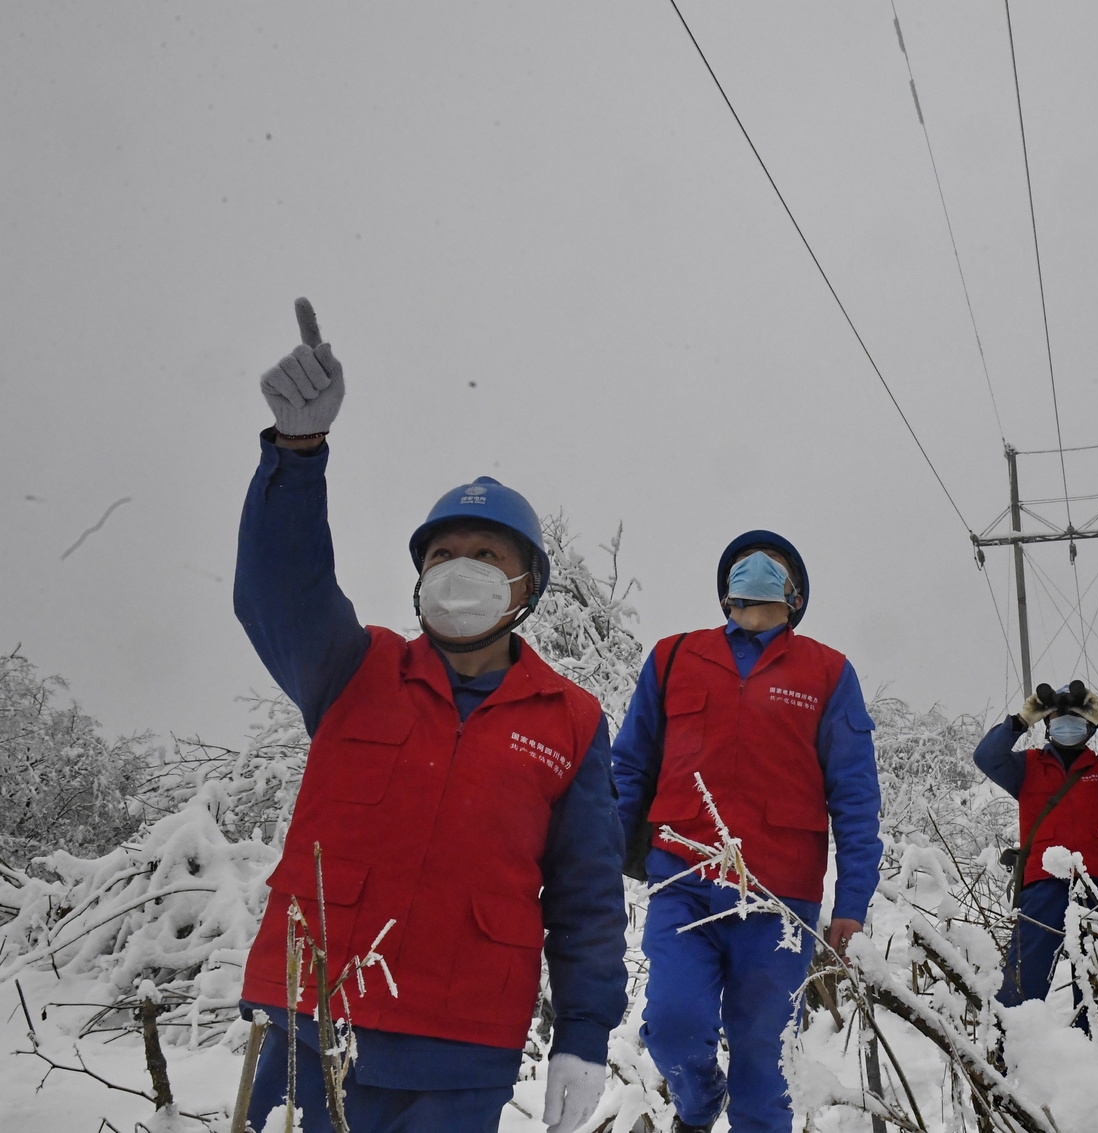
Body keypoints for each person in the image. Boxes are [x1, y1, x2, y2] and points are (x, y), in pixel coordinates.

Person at [233, 304, 627, 1133]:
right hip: (311, 1022)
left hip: (462, 1046)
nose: (461, 571)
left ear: (525, 591)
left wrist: (584, 1034)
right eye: (443, 554)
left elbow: (587, 895)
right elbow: (280, 588)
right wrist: (297, 454)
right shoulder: (351, 666)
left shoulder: (571, 719)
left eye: (487, 557)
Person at [611, 532, 882, 1133]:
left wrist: (853, 901)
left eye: (775, 565)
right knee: (675, 1024)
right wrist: (604, 860)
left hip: (780, 898)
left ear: (796, 594)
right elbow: (629, 765)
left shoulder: (828, 672)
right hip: (682, 879)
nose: (757, 570)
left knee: (763, 1064)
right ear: (724, 590)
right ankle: (699, 1104)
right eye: (743, 564)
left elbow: (857, 796)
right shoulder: (673, 657)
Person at [974, 680, 1098, 1011]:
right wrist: (1022, 719)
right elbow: (986, 757)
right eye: (1059, 719)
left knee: (1097, 980)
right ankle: (1012, 1041)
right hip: (1044, 882)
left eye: (1076, 719)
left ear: (1088, 727)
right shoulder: (1026, 767)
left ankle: (1097, 1048)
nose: (1067, 726)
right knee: (1027, 973)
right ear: (1048, 726)